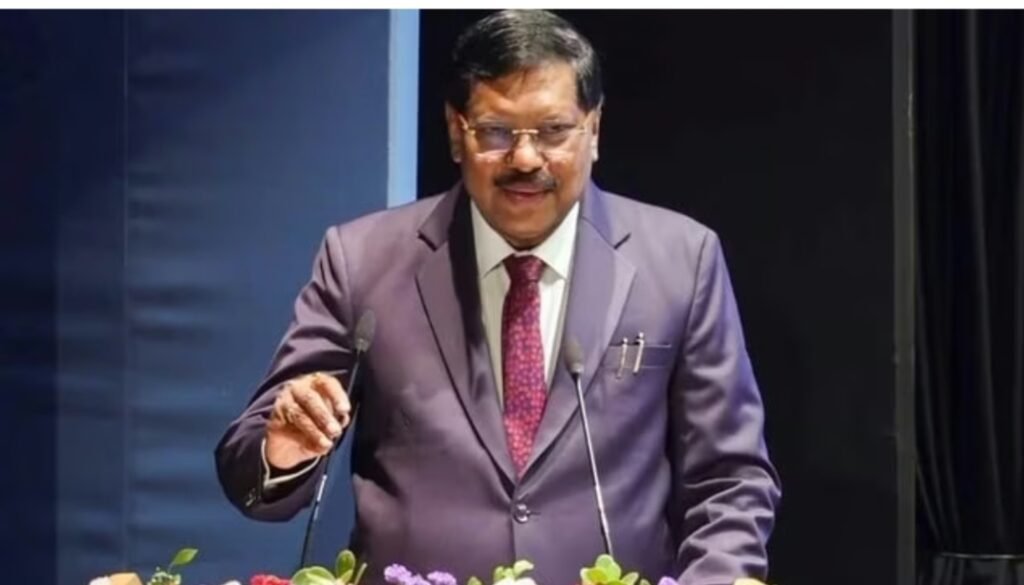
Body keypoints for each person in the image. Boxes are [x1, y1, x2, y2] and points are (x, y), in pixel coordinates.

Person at [216, 10, 780, 585]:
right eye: (496, 132)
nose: (525, 160)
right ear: (455, 130)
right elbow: (249, 472)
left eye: (553, 131)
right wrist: (285, 447)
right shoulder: (362, 260)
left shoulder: (681, 260)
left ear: (594, 129)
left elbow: (729, 478)